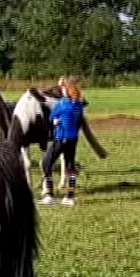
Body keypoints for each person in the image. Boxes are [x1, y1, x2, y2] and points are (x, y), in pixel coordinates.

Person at [41, 76, 102, 205]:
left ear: (67, 90)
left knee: (46, 163)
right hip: (73, 139)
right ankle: (70, 196)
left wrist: (56, 121)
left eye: (63, 88)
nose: (61, 90)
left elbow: (51, 117)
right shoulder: (78, 105)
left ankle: (49, 194)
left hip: (61, 138)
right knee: (70, 167)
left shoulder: (62, 104)